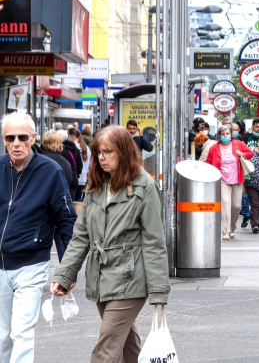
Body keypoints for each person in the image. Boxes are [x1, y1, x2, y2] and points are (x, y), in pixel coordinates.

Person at [51, 125, 170, 361]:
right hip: (101, 276)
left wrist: (158, 291)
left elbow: (154, 241)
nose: (101, 158)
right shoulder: (97, 184)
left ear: (124, 152)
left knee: (107, 345)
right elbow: (81, 235)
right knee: (125, 343)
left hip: (130, 276)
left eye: (108, 152)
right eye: (98, 153)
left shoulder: (144, 185)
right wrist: (64, 275)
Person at [0, 111, 76, 361]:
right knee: (2, 335)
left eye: (22, 137)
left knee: (21, 333)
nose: (16, 143)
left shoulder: (50, 171)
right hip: (0, 266)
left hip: (31, 265)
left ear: (34, 138)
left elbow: (65, 221)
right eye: (10, 138)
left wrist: (68, 271)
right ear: (4, 140)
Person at [205, 125, 253, 240]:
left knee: (236, 205)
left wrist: (242, 154)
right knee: (225, 203)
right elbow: (208, 163)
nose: (225, 136)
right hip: (222, 180)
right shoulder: (214, 148)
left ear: (231, 134)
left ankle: (232, 227)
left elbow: (250, 153)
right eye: (223, 134)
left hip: (237, 179)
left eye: (227, 134)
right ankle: (225, 231)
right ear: (219, 135)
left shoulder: (238, 144)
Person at [41, 130, 77, 199]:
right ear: (60, 143)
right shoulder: (66, 163)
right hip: (61, 204)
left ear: (45, 143)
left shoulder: (39, 161)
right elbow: (73, 183)